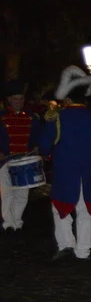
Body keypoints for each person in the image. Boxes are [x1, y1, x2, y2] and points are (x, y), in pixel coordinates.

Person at [37, 66, 91, 260]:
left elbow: (45, 146)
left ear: (67, 98)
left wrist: (47, 155)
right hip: (87, 171)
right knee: (85, 209)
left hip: (64, 171)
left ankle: (66, 245)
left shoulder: (56, 117)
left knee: (60, 207)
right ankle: (83, 251)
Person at [0, 79, 43, 231]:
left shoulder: (32, 117)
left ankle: (17, 221)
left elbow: (38, 136)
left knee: (22, 194)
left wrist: (37, 146)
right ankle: (7, 223)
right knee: (7, 193)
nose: (19, 102)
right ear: (9, 100)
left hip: (25, 160)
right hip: (5, 161)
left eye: (21, 99)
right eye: (15, 99)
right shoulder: (1, 117)